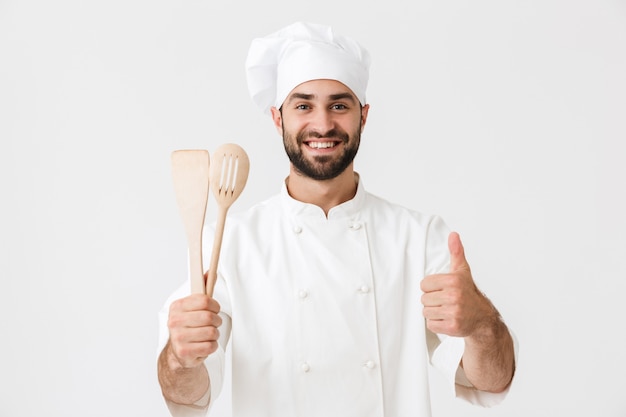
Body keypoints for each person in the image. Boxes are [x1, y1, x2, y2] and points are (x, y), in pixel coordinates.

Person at [157, 21, 516, 417]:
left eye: (339, 105)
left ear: (364, 115)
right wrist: (179, 356)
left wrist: (481, 323)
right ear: (278, 118)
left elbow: (491, 380)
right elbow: (189, 395)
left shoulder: (419, 238)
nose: (323, 124)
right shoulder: (229, 242)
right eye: (304, 105)